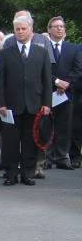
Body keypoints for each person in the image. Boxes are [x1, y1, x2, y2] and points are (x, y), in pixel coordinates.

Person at [0, 14, 52, 186]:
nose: (20, 32)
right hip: (11, 105)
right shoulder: (5, 53)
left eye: (23, 28)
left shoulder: (41, 52)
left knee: (30, 141)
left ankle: (28, 173)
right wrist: (1, 103)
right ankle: (11, 173)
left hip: (34, 104)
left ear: (31, 30)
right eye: (17, 29)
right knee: (11, 141)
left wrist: (47, 104)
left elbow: (47, 80)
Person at [45, 16, 82, 169]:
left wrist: (65, 83)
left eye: (62, 26)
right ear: (49, 30)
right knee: (46, 125)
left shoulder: (73, 48)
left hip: (67, 93)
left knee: (65, 125)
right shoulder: (43, 48)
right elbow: (42, 69)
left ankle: (61, 157)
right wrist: (56, 82)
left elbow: (78, 69)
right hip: (48, 91)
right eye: (55, 26)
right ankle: (46, 157)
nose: (59, 29)